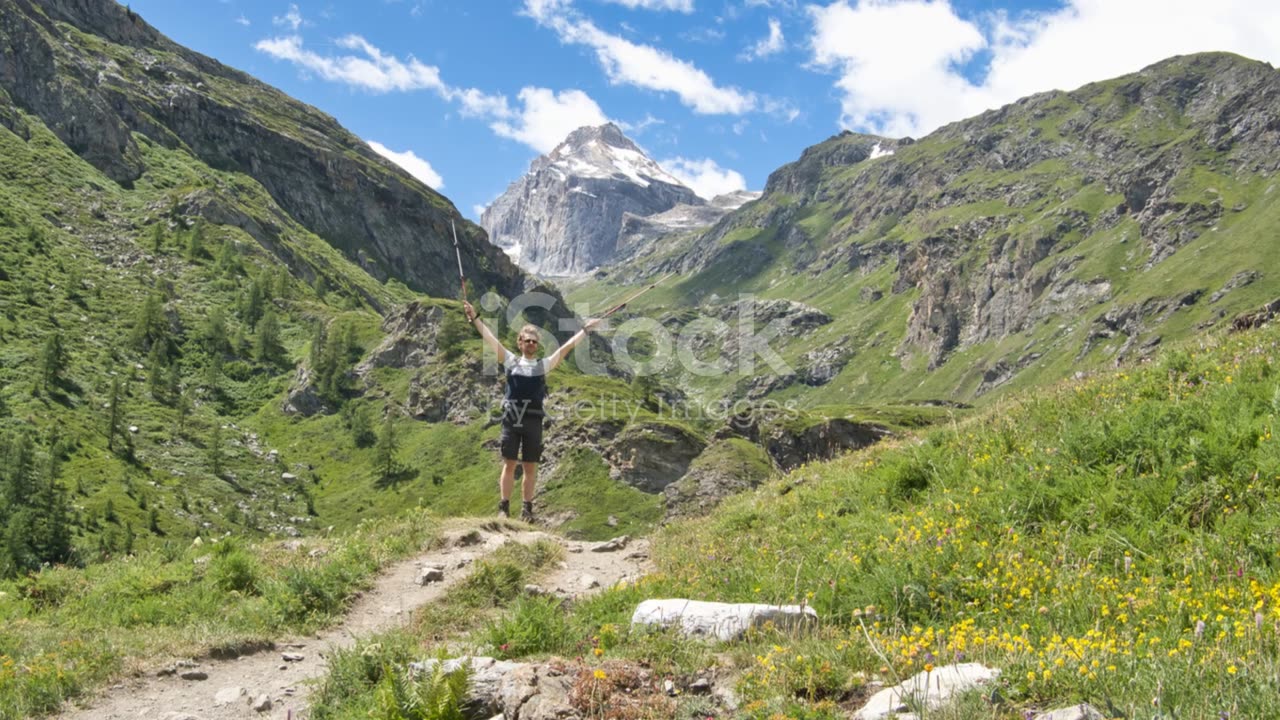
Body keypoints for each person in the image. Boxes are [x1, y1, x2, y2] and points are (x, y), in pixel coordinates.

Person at [463, 301, 601, 521]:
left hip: (534, 420)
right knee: (508, 464)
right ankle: (504, 508)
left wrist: (586, 330)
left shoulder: (543, 365)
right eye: (527, 340)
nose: (530, 344)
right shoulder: (510, 360)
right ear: (520, 342)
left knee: (530, 467)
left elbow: (566, 348)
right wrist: (474, 317)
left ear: (537, 345)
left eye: (534, 342)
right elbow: (490, 338)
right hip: (511, 418)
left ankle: (527, 511)